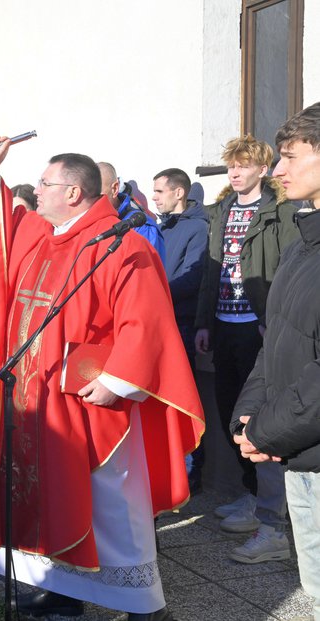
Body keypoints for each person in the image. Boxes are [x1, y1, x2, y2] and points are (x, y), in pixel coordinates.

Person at [0, 138, 204, 620]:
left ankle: (143, 607)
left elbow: (147, 320)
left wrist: (118, 379)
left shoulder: (121, 241)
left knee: (111, 508)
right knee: (47, 495)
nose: (36, 193)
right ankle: (63, 590)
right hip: (34, 398)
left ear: (73, 192)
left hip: (89, 401)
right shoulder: (41, 236)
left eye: (45, 184)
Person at [231, 100, 320, 615]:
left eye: (289, 156)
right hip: (301, 454)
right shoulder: (300, 244)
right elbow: (277, 343)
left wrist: (268, 431)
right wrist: (250, 419)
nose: (278, 170)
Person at [194, 135, 300, 546]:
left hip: (257, 326)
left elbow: (288, 269)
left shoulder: (279, 211)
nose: (234, 172)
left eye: (242, 165)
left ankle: (266, 502)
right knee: (228, 412)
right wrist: (204, 322)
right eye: (231, 166)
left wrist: (274, 319)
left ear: (261, 169)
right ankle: (250, 493)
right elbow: (210, 271)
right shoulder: (221, 211)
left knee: (257, 413)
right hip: (224, 325)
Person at [153, 167, 209, 493]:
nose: (155, 197)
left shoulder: (197, 228)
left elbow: (193, 277)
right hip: (159, 321)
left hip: (182, 325)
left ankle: (191, 470)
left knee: (182, 397)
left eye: (160, 191)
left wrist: (152, 292)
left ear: (179, 193)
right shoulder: (160, 226)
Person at [98, 161, 167, 261]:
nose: (90, 202)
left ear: (115, 189)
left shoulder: (142, 227)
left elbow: (146, 272)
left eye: (97, 195)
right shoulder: (90, 221)